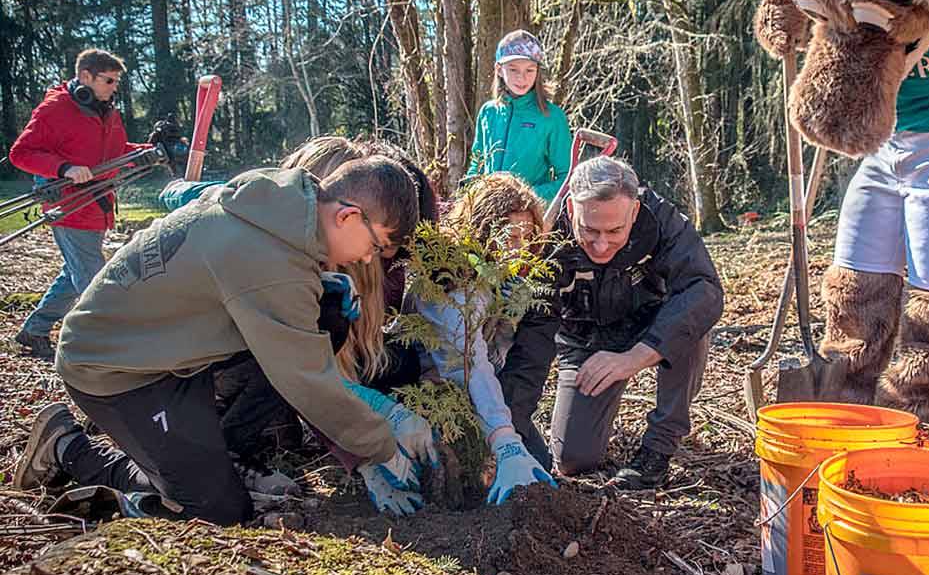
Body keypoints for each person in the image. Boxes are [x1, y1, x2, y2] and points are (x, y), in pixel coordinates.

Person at [14, 156, 431, 525]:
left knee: (327, 313)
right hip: (114, 369)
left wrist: (320, 285)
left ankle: (222, 455)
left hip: (170, 352)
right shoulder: (270, 260)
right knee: (214, 509)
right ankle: (67, 448)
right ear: (346, 216)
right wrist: (382, 447)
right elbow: (306, 379)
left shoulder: (279, 204)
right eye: (376, 246)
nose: (368, 260)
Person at [499, 155, 724, 489]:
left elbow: (704, 291)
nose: (601, 245)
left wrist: (634, 358)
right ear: (572, 210)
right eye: (589, 230)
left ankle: (658, 449)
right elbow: (536, 335)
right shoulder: (548, 237)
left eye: (615, 230)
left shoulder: (661, 219)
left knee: (689, 322)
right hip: (584, 340)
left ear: (633, 211)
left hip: (650, 327)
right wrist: (512, 431)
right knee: (574, 459)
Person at [399, 172, 557, 504]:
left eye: (527, 239)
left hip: (484, 394)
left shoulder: (508, 283)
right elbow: (468, 364)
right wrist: (505, 439)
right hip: (432, 394)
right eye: (509, 238)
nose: (519, 251)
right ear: (483, 230)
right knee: (462, 483)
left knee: (541, 464)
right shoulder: (452, 282)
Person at [9, 49, 153, 359]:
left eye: (116, 81)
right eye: (109, 80)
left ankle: (34, 331)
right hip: (68, 206)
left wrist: (148, 151)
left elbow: (114, 151)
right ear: (85, 76)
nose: (115, 87)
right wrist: (63, 168)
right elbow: (21, 153)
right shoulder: (55, 108)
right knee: (93, 279)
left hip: (97, 205)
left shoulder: (107, 111)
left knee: (73, 276)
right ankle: (108, 346)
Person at [463, 30, 572, 203]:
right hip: (487, 211)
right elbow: (477, 166)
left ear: (538, 71)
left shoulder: (551, 117)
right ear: (499, 69)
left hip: (529, 216)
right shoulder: (488, 113)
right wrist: (469, 195)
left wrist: (527, 197)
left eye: (529, 70)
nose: (522, 78)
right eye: (513, 69)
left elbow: (567, 178)